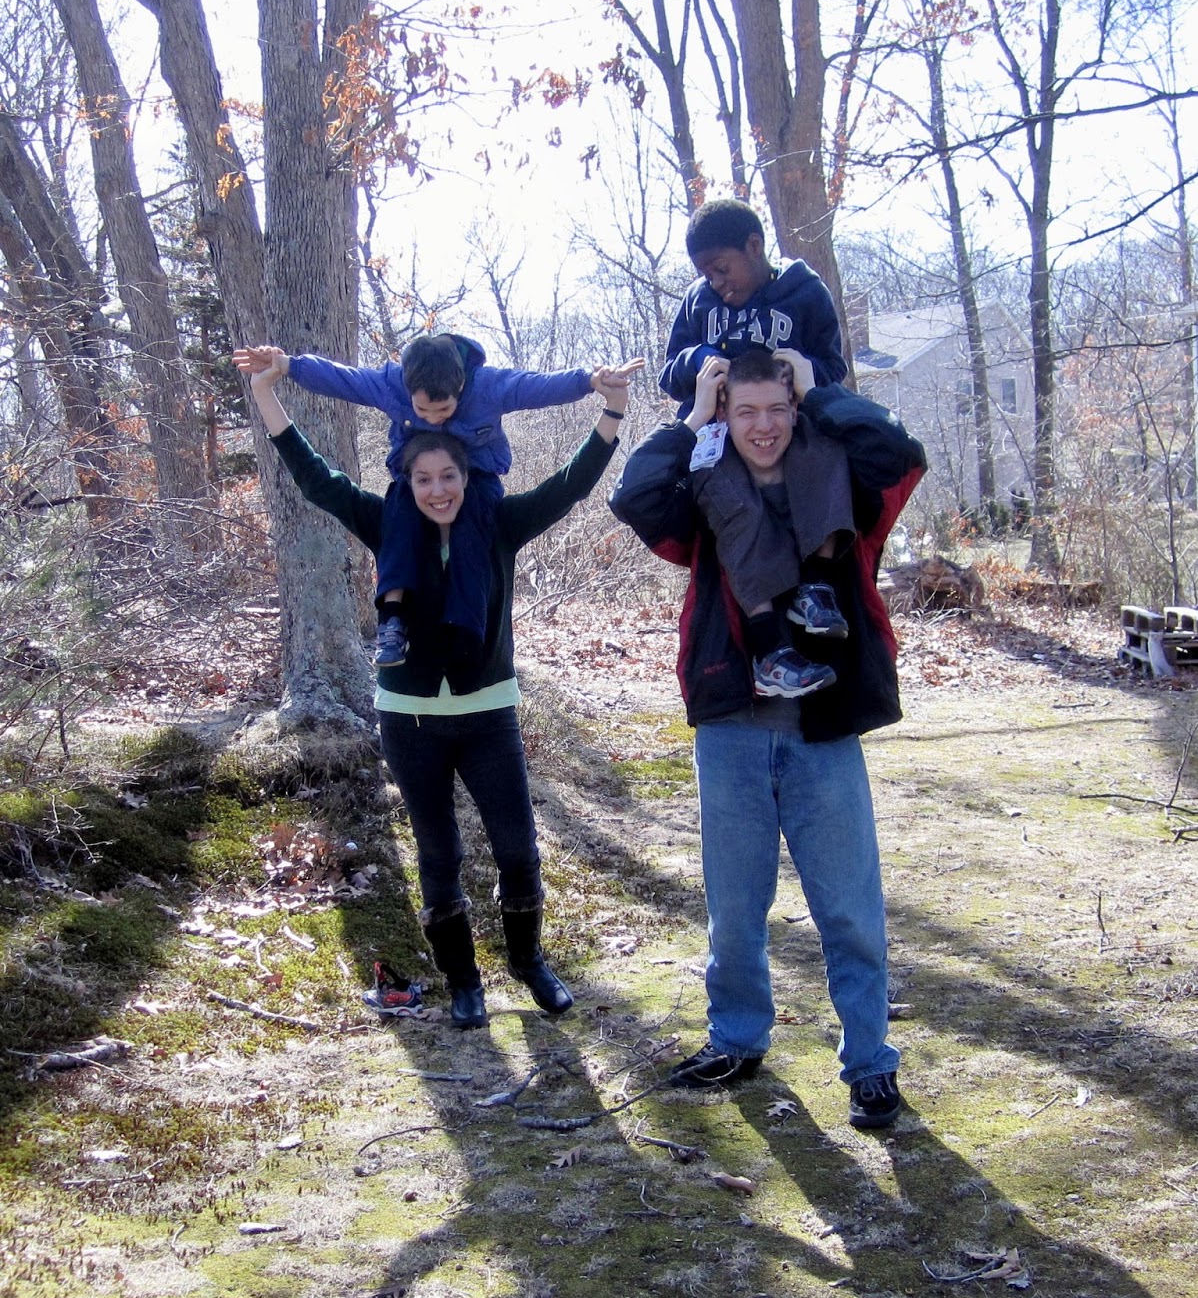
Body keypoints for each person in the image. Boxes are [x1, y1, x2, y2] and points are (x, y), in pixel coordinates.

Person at [237, 345, 634, 1030]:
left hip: (488, 716)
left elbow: (570, 485)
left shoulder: (499, 523)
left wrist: (613, 410)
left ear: (467, 474)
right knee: (438, 852)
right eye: (423, 478)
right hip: (409, 719)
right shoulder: (386, 522)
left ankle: (529, 962)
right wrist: (269, 394)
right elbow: (316, 478)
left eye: (448, 475)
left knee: (517, 847)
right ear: (408, 480)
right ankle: (463, 982)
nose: (437, 489)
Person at [610, 347, 926, 1128]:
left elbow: (898, 453)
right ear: (726, 413)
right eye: (744, 410)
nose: (762, 427)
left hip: (824, 729)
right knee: (735, 909)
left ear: (794, 411)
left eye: (777, 410)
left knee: (849, 909)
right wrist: (693, 416)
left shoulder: (842, 483)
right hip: (732, 727)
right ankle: (738, 1038)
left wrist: (819, 394)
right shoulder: (705, 492)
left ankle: (870, 1063)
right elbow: (634, 495)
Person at [234, 334, 629, 669]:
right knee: (400, 512)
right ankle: (392, 619)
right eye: (422, 409)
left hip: (481, 484)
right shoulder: (391, 388)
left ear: (461, 387)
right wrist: (286, 367)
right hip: (405, 709)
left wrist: (592, 383)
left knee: (473, 528)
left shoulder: (489, 392)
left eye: (444, 409)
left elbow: (540, 394)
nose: (435, 418)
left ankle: (466, 633)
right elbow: (343, 384)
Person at [661, 198, 855, 698]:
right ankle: (771, 652)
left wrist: (802, 373)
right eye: (706, 274)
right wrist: (699, 360)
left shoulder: (805, 291)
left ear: (754, 246)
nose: (716, 283)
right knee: (735, 504)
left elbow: (833, 369)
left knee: (827, 456)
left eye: (721, 269)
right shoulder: (698, 303)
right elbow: (669, 373)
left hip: (789, 431)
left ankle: (816, 589)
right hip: (722, 440)